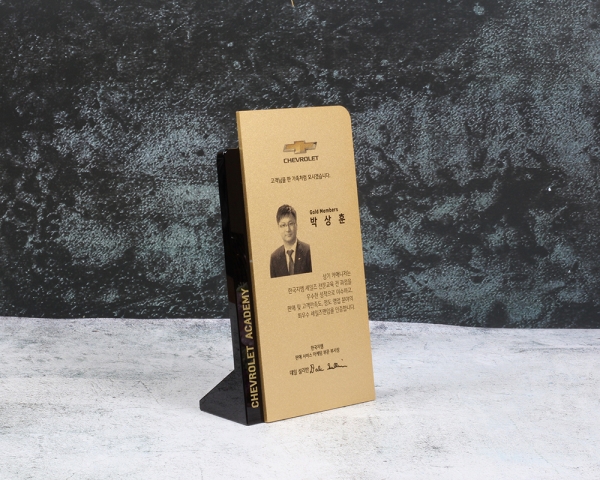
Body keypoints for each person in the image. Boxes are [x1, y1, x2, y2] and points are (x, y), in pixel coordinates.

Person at [270, 205, 312, 278]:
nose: (287, 229)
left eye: (290, 224)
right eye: (283, 225)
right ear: (278, 228)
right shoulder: (274, 258)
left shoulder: (308, 251)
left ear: (296, 225)